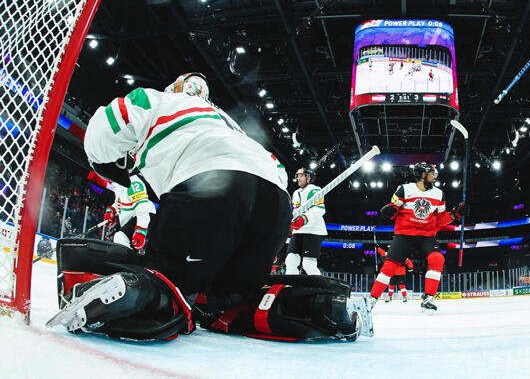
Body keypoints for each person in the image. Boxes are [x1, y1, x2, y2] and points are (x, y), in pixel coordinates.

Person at [47, 72, 372, 342]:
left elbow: (104, 129)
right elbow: (279, 172)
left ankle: (141, 292)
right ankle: (324, 305)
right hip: (273, 204)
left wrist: (113, 167)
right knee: (229, 303)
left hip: (210, 187)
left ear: (176, 87)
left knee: (170, 283)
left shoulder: (157, 99)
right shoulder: (229, 123)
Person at [367, 163, 466, 313]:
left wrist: (454, 215)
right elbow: (393, 208)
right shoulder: (404, 189)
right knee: (389, 267)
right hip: (404, 233)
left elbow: (439, 219)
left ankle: (428, 299)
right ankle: (372, 300)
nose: (435, 174)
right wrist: (390, 211)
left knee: (438, 259)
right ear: (422, 174)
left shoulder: (439, 194)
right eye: (432, 172)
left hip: (427, 235)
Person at [287, 167, 327, 275]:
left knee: (308, 264)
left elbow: (319, 209)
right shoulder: (296, 193)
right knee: (290, 261)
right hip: (298, 231)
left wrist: (304, 219)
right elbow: (295, 211)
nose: (298, 178)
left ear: (308, 178)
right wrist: (291, 224)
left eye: (301, 176)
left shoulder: (315, 190)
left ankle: (318, 289)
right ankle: (290, 286)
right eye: (297, 176)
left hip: (312, 230)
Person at [105, 173, 157, 252]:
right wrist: (112, 209)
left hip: (144, 216)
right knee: (121, 240)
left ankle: (129, 261)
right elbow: (120, 201)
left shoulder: (133, 182)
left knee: (120, 237)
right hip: (133, 218)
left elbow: (142, 206)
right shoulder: (118, 183)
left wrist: (141, 229)